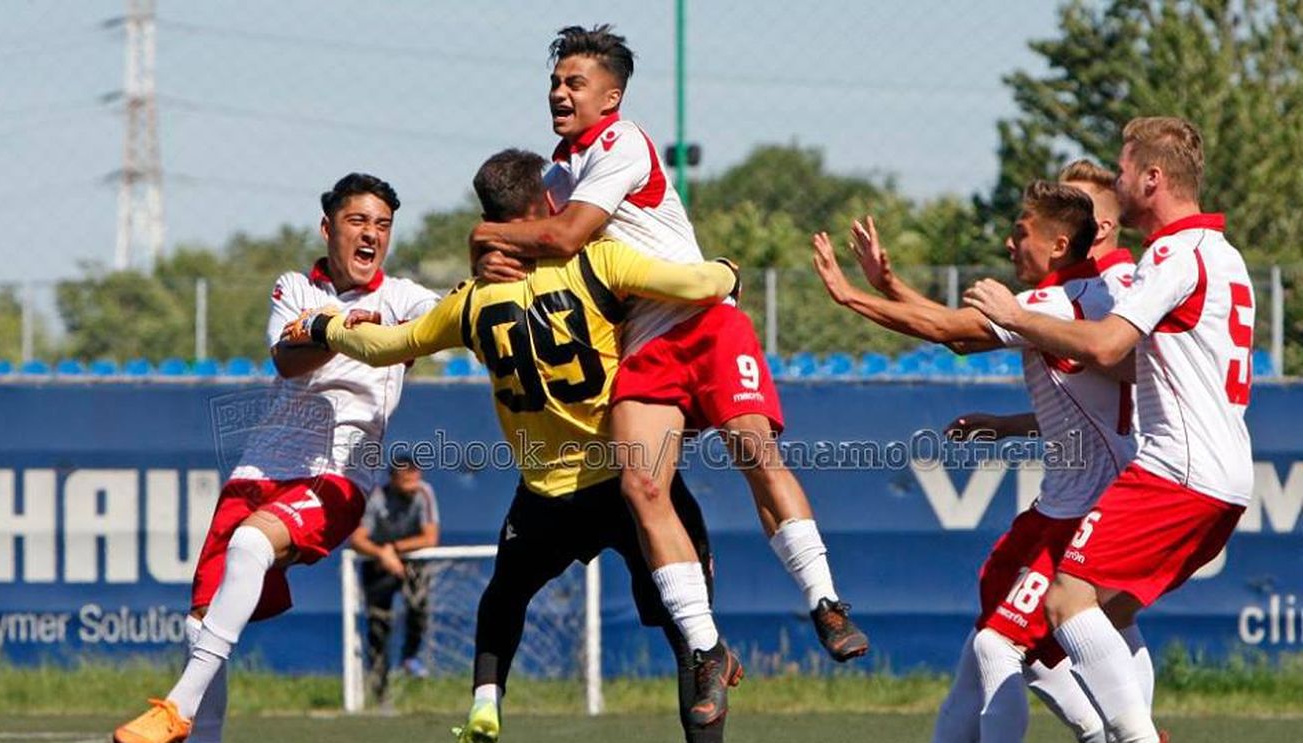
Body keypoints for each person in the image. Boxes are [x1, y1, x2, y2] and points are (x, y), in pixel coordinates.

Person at [467, 26, 868, 722]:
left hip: (703, 318)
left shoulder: (622, 144)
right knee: (642, 484)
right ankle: (707, 647)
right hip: (645, 346)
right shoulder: (558, 177)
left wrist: (488, 237)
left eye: (575, 83)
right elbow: (535, 243)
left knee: (753, 448)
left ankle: (827, 603)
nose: (559, 92)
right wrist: (487, 255)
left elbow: (558, 239)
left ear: (612, 96)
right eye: (555, 81)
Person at [287, 148, 740, 742]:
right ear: (541, 206)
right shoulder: (596, 264)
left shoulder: (473, 300)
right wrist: (729, 269)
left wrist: (321, 325)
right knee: (688, 627)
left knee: (504, 596)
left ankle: (485, 701)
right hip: (625, 477)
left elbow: (383, 346)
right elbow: (695, 283)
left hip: (545, 493)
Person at [113, 173, 441, 743]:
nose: (371, 235)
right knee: (200, 628)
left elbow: (444, 319)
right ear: (327, 227)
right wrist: (336, 329)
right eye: (358, 221)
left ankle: (174, 711)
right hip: (255, 474)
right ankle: (197, 734)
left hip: (335, 478)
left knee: (249, 543)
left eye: (383, 225)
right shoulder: (295, 287)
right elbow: (289, 361)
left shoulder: (404, 297)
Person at [810, 180, 1136, 743]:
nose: (1009, 244)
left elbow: (946, 331)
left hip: (1085, 512)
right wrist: (887, 284)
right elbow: (960, 333)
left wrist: (849, 296)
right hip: (1062, 504)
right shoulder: (1089, 298)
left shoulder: (1054, 302)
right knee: (981, 655)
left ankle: (1118, 734)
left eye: (1020, 233)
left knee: (997, 645)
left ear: (1060, 244)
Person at [964, 116, 1254, 743]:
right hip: (1227, 478)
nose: (1117, 181)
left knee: (1067, 599)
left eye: (1124, 170)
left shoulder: (1176, 252)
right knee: (1096, 621)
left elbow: (1106, 344)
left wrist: (1016, 316)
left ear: (1153, 178)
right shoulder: (1226, 255)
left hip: (1176, 468)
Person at [350, 456, 441, 705]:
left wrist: (394, 548)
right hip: (378, 564)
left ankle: (410, 657)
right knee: (379, 627)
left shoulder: (425, 493)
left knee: (419, 609)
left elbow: (430, 537)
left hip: (411, 562)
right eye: (406, 480)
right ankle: (380, 693)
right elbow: (357, 538)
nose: (413, 484)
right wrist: (382, 553)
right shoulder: (376, 497)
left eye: (416, 477)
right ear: (393, 479)